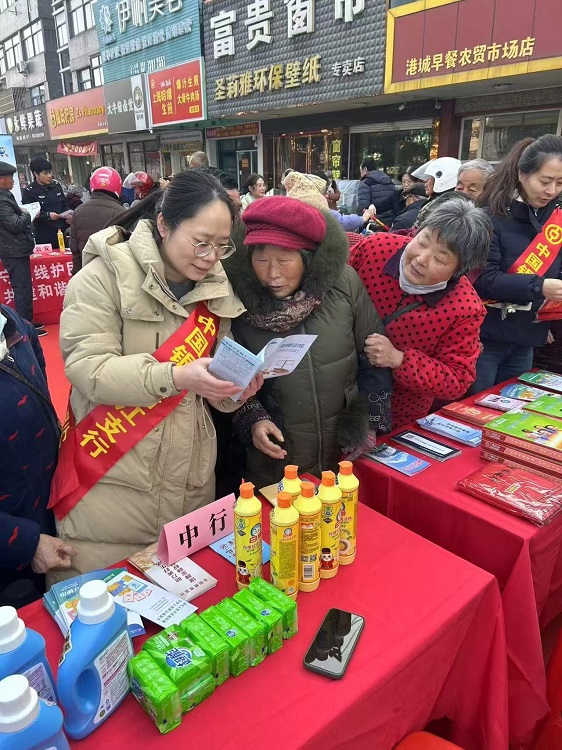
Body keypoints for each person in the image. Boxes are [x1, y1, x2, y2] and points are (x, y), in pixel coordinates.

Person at [49, 171, 262, 579]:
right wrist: (176, 376)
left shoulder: (216, 288)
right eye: (201, 242)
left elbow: (212, 376)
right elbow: (89, 368)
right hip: (112, 481)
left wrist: (235, 390)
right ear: (164, 224)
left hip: (191, 480)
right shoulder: (103, 278)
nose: (210, 257)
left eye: (222, 246)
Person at [222, 196, 393, 488]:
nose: (272, 274)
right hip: (276, 455)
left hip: (342, 447)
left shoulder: (344, 283)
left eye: (284, 260)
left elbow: (374, 356)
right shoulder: (233, 299)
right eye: (261, 260)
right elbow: (225, 376)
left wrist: (370, 421)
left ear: (308, 258)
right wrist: (252, 420)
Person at [349, 197, 491, 428]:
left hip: (395, 415)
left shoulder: (465, 308)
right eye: (423, 242)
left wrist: (398, 359)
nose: (421, 259)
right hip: (332, 393)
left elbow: (457, 379)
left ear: (458, 270)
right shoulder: (375, 248)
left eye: (440, 258)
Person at [469, 135, 562, 393]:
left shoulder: (556, 220)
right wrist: (540, 286)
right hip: (485, 338)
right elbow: (484, 280)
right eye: (545, 181)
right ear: (522, 174)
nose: (552, 191)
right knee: (474, 408)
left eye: (560, 183)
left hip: (526, 338)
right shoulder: (490, 216)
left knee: (514, 408)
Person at [0, 304, 76, 604]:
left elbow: (37, 370)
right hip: (12, 553)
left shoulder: (10, 320)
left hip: (49, 508)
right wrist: (25, 543)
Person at [0, 161, 45, 335]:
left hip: (15, 248)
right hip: (13, 250)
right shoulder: (2, 200)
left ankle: (27, 322)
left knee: (24, 288)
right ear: (1, 179)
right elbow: (15, 225)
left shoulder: (5, 196)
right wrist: (27, 214)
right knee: (22, 289)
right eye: (10, 177)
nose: (13, 181)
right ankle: (25, 327)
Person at [69, 167, 124, 275]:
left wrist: (77, 275)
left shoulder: (78, 211)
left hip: (87, 273)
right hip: (113, 274)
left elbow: (75, 250)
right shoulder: (121, 212)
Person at [283, 171, 375, 232]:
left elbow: (337, 196)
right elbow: (340, 221)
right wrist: (362, 218)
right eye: (324, 191)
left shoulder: (290, 200)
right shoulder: (314, 202)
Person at [22, 157, 72, 248]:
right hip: (43, 234)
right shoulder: (30, 191)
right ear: (36, 174)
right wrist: (47, 215)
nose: (49, 176)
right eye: (45, 173)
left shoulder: (56, 186)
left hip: (61, 231)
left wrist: (68, 214)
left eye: (50, 172)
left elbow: (65, 204)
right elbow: (28, 213)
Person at [411, 157, 462, 225]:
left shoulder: (441, 207)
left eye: (430, 177)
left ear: (442, 180)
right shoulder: (451, 202)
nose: (425, 181)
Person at [356, 158, 395, 224]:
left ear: (365, 169)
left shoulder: (365, 183)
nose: (361, 175)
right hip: (391, 222)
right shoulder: (389, 181)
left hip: (374, 223)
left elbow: (363, 208)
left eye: (361, 171)